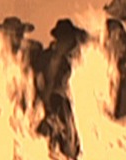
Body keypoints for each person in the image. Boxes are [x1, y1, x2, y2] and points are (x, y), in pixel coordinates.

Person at [35, 18, 86, 160]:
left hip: (64, 104)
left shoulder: (68, 61)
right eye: (69, 40)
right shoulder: (46, 58)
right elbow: (41, 83)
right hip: (51, 104)